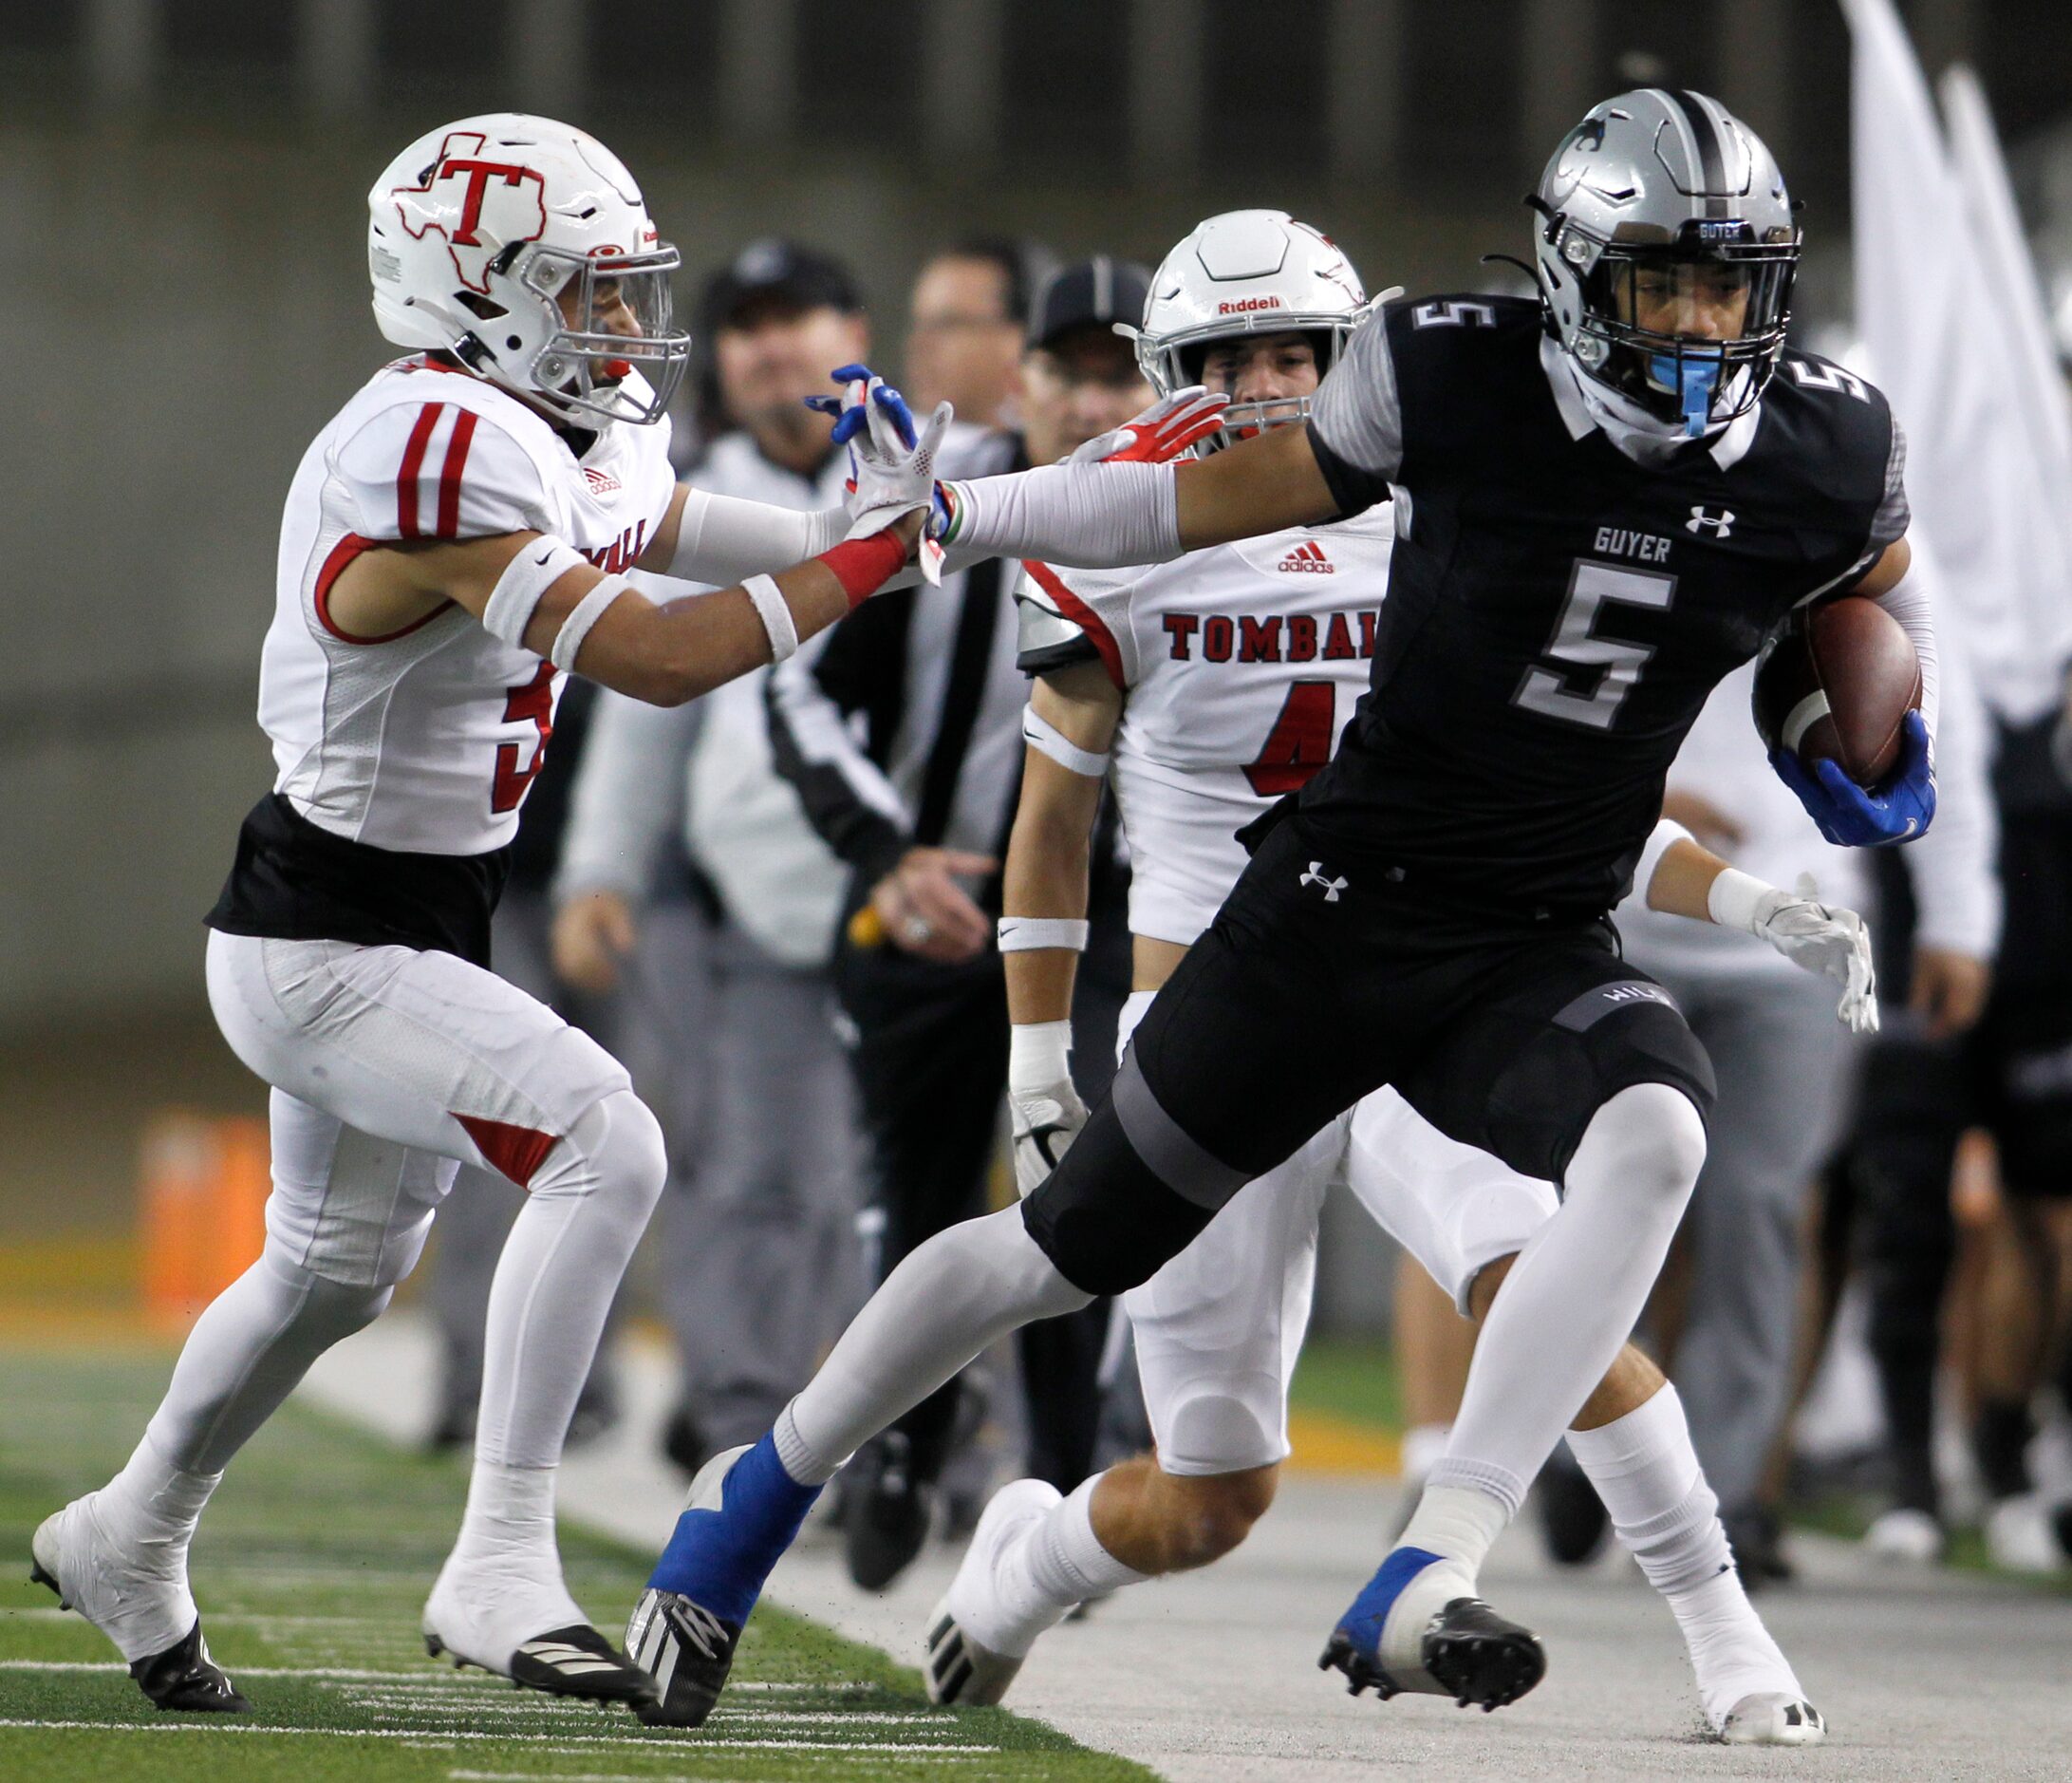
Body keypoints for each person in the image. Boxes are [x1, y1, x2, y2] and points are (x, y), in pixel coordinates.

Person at [626, 89, 1934, 1745]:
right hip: (1291, 941)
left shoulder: (1815, 446)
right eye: (1654, 284)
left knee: (1637, 1161)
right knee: (1136, 1374)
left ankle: (1502, 1580)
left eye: (1718, 285)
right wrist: (958, 519)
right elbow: (1085, 715)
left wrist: (1846, 769)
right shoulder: (1399, 414)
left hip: (1515, 944)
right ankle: (769, 1504)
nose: (1690, 324)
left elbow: (1858, 602)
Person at [29, 113, 942, 1716]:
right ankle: (500, 1557)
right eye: (582, 292)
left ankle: (128, 1528)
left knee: (328, 1272)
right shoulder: (434, 442)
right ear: (475, 291)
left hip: (401, 922)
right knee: (608, 1135)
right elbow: (662, 658)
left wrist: (893, 511)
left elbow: (730, 540)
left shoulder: (552, 423)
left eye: (616, 290)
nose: (617, 324)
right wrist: (864, 560)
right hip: (323, 936)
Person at [920, 209, 1861, 1727]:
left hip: (1421, 973)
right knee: (1210, 1492)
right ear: (1180, 369)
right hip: (1226, 1005)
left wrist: (1746, 900)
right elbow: (1048, 829)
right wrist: (1041, 1058)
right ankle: (1018, 1568)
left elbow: (1537, 808)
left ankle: (1724, 1636)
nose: (1273, 381)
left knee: (1548, 1282)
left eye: (1300, 349)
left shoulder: (1454, 506)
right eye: (1232, 356)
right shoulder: (1137, 518)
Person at [762, 257, 1150, 1589]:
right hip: (937, 901)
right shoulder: (942, 495)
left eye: (1120, 375)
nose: (1095, 403)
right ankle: (902, 1449)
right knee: (915, 1191)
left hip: (1102, 916)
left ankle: (1053, 1482)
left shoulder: (1196, 508)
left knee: (1077, 1183)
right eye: (1071, 373)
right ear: (1018, 378)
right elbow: (802, 686)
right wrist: (881, 854)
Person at [552, 242, 873, 1474]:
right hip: (748, 895)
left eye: (795, 315)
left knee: (891, 1174)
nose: (769, 345)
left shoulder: (924, 479)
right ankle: (743, 1416)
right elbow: (649, 699)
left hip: (924, 892)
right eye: (744, 326)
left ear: (853, 326)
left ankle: (880, 1427)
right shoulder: (677, 487)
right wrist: (600, 872)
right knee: (747, 1162)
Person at [905, 237, 1051, 431]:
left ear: (1018, 339)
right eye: (920, 324)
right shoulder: (884, 452)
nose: (920, 344)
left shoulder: (1073, 453)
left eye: (948, 324)